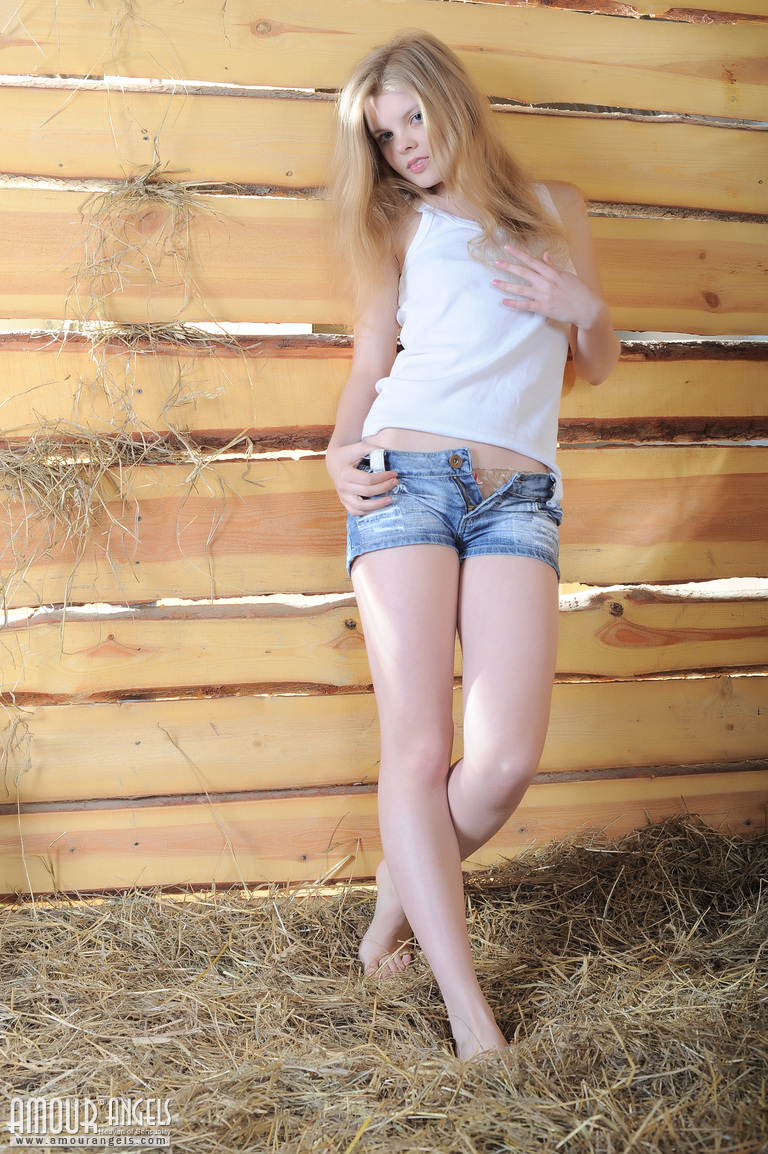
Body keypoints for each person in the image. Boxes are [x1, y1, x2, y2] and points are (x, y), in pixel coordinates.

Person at [325, 30, 620, 1061]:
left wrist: (585, 308)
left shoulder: (557, 208)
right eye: (384, 134)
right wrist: (335, 451)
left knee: (499, 762)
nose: (404, 143)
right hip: (403, 478)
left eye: (415, 116)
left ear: (453, 101)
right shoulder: (398, 224)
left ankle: (395, 902)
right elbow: (372, 358)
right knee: (415, 749)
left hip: (518, 495)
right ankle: (469, 1013)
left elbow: (597, 361)